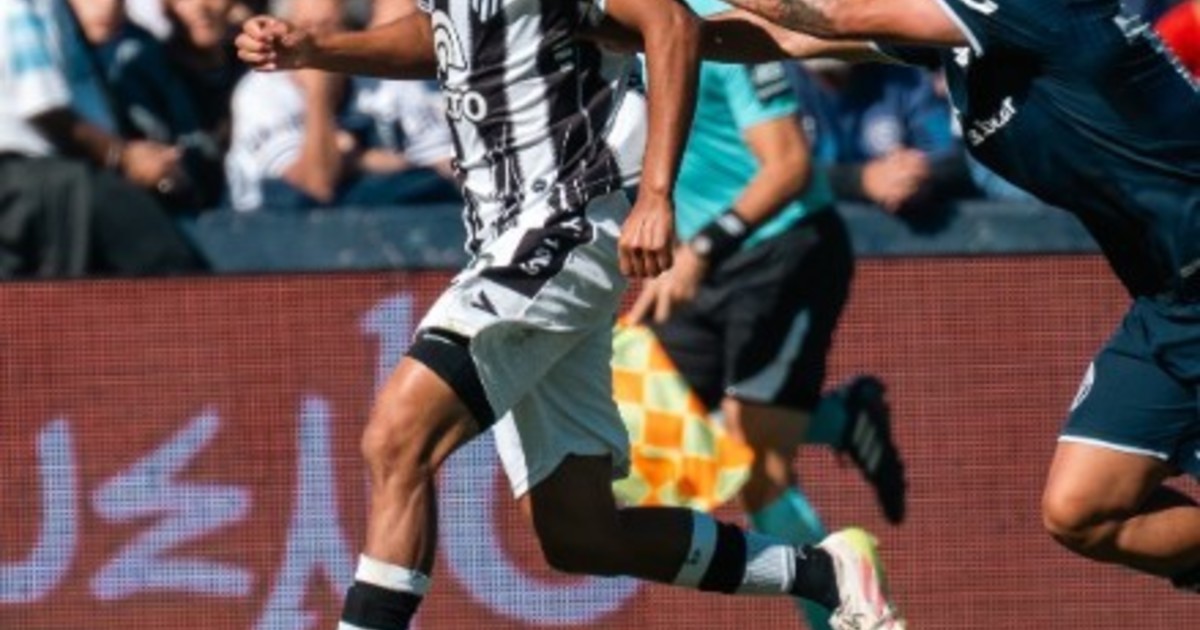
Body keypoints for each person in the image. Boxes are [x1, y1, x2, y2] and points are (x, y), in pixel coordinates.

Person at [236, 1, 904, 630]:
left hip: (568, 222)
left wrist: (657, 195)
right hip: (508, 237)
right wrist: (320, 48)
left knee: (396, 437)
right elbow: (446, 38)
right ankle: (824, 573)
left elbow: (671, 22)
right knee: (581, 535)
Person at [653, 0, 1200, 603]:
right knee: (1083, 511)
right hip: (1169, 306)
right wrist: (630, 27)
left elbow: (834, 15)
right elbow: (791, 38)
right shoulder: (959, 39)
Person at [627, 1, 906, 628]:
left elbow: (789, 165)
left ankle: (844, 611)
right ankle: (839, 418)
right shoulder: (607, 26)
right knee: (655, 426)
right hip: (695, 261)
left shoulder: (715, 21)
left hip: (783, 252)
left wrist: (702, 245)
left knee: (756, 464)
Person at [0, 0, 204, 278]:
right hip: (36, 183)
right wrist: (125, 158)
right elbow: (42, 105)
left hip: (65, 177)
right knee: (171, 271)